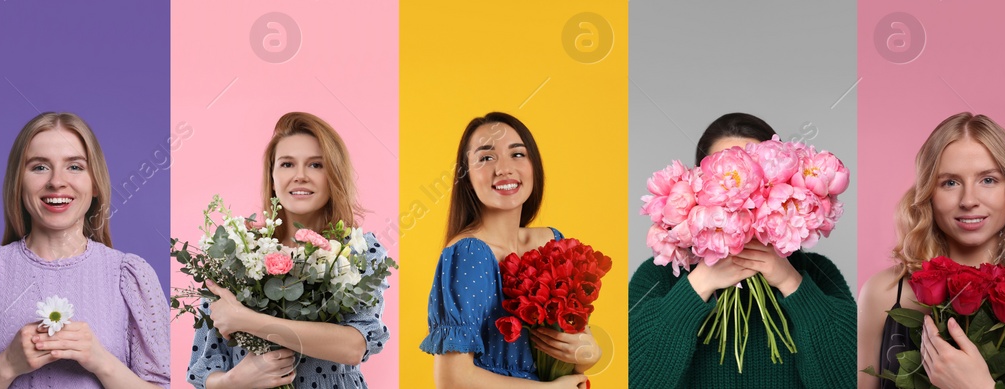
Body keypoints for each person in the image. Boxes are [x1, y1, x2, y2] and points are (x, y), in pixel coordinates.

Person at [857, 112, 1005, 389]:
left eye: (988, 180)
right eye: (950, 183)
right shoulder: (882, 293)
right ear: (928, 192)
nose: (968, 200)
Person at [629, 112, 856, 388]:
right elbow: (635, 378)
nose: (739, 197)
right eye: (720, 180)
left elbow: (846, 380)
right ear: (697, 190)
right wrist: (699, 284)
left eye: (755, 177)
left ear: (781, 183)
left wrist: (790, 283)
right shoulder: (659, 276)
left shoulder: (817, 273)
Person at [0, 112, 170, 388]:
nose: (57, 182)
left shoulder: (132, 276)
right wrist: (7, 365)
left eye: (75, 167)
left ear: (95, 183)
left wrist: (102, 361)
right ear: (18, 182)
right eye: (39, 167)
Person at [187, 112, 390, 389]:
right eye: (287, 164)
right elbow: (205, 366)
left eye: (316, 165)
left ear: (335, 175)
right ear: (272, 177)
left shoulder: (358, 251)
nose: (300, 176)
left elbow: (355, 345)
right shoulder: (234, 254)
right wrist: (235, 380)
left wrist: (248, 320)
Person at [422, 112, 599, 389]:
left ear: (534, 167)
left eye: (517, 154)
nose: (504, 168)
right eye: (486, 157)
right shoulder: (468, 253)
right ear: (466, 177)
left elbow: (574, 352)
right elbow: (452, 379)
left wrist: (590, 352)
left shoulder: (553, 243)